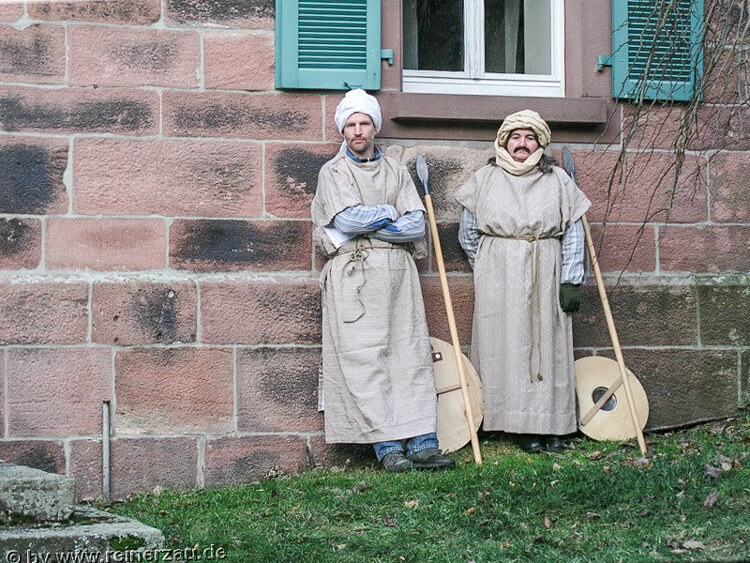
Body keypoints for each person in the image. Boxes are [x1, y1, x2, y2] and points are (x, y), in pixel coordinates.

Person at [311, 89, 455, 472]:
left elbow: (415, 224)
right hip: (355, 277)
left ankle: (423, 442)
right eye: (352, 124)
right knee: (365, 358)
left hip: (397, 276)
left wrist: (374, 222)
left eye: (365, 123)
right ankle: (387, 446)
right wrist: (390, 213)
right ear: (343, 130)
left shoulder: (394, 171)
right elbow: (345, 221)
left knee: (407, 354)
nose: (359, 131)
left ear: (375, 127)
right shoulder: (334, 172)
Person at [455, 110, 590, 453]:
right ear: (503, 142)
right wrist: (487, 265)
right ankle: (518, 426)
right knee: (507, 344)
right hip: (499, 273)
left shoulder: (558, 179)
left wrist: (571, 279)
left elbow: (574, 233)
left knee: (548, 345)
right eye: (515, 137)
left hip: (546, 268)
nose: (522, 143)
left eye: (529, 137)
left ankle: (551, 424)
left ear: (540, 144)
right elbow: (468, 232)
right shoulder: (485, 178)